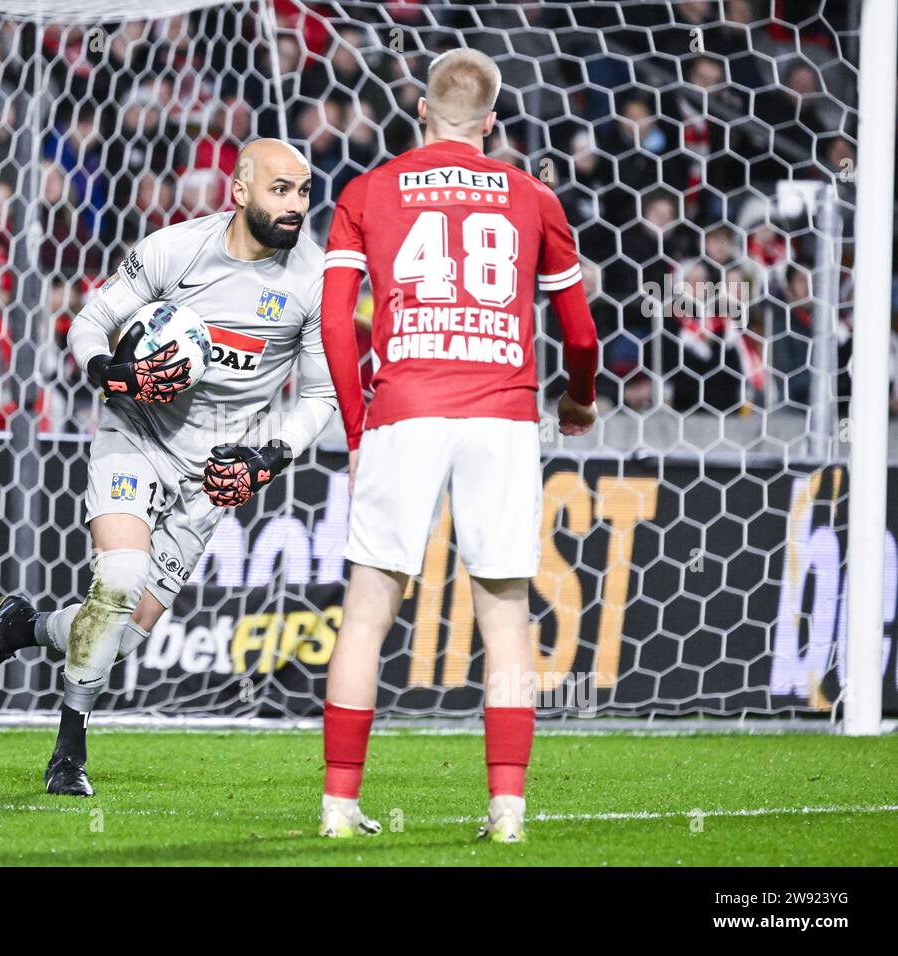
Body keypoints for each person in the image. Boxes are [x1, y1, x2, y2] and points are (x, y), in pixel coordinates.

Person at [0, 139, 338, 796]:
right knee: (121, 576)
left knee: (120, 637)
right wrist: (111, 373)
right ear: (239, 190)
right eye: (281, 189)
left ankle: (23, 626)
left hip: (213, 473)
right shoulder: (175, 250)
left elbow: (321, 395)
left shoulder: (315, 279)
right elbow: (90, 321)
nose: (296, 205)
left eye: (303, 191)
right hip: (136, 436)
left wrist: (270, 457)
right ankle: (68, 751)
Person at [318, 49, 599, 842]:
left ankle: (340, 807)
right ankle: (507, 811)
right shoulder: (531, 194)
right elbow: (581, 332)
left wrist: (355, 425)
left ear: (420, 111)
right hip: (501, 416)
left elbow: (337, 322)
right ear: (491, 122)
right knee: (506, 615)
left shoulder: (367, 190)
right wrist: (577, 397)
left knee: (368, 609)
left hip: (404, 408)